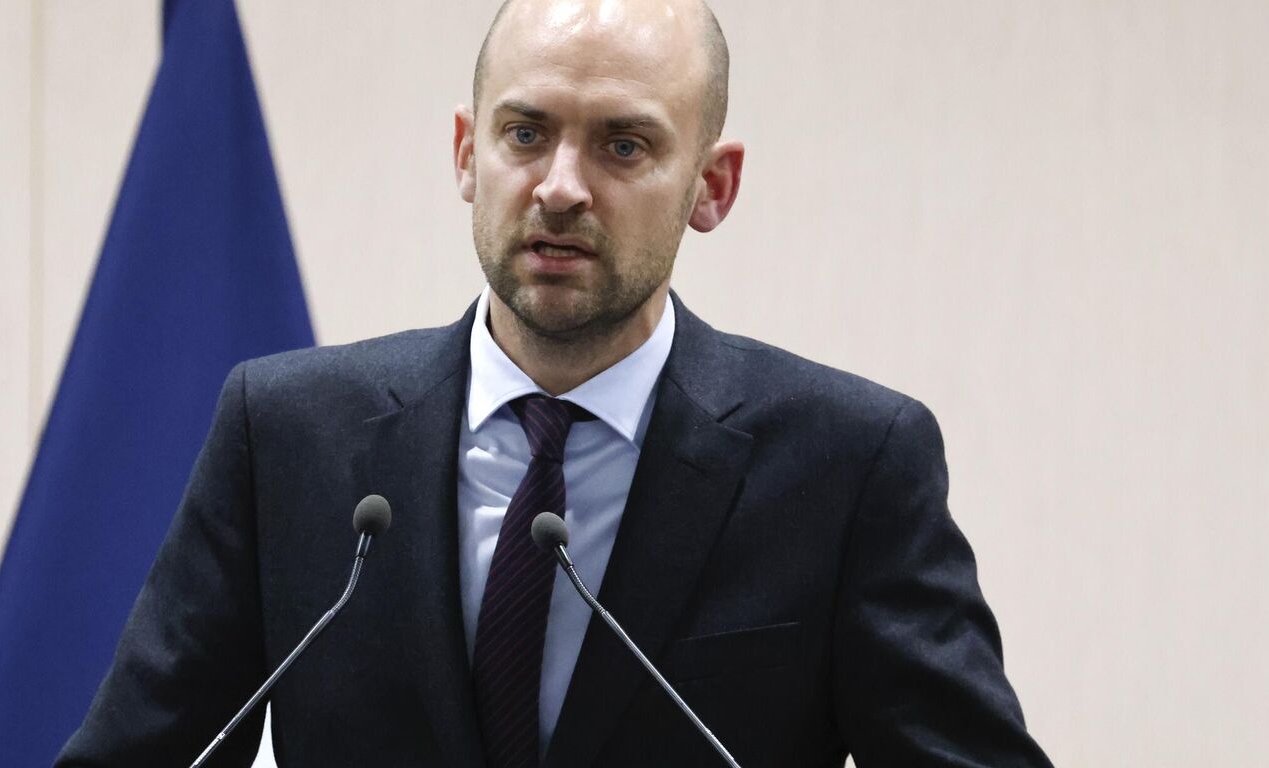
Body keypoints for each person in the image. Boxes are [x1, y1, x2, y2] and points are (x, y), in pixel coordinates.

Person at [57, 0, 1053, 765]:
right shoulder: (286, 436)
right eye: (525, 133)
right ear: (465, 153)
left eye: (623, 144)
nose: (562, 187)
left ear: (713, 185)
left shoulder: (848, 466)